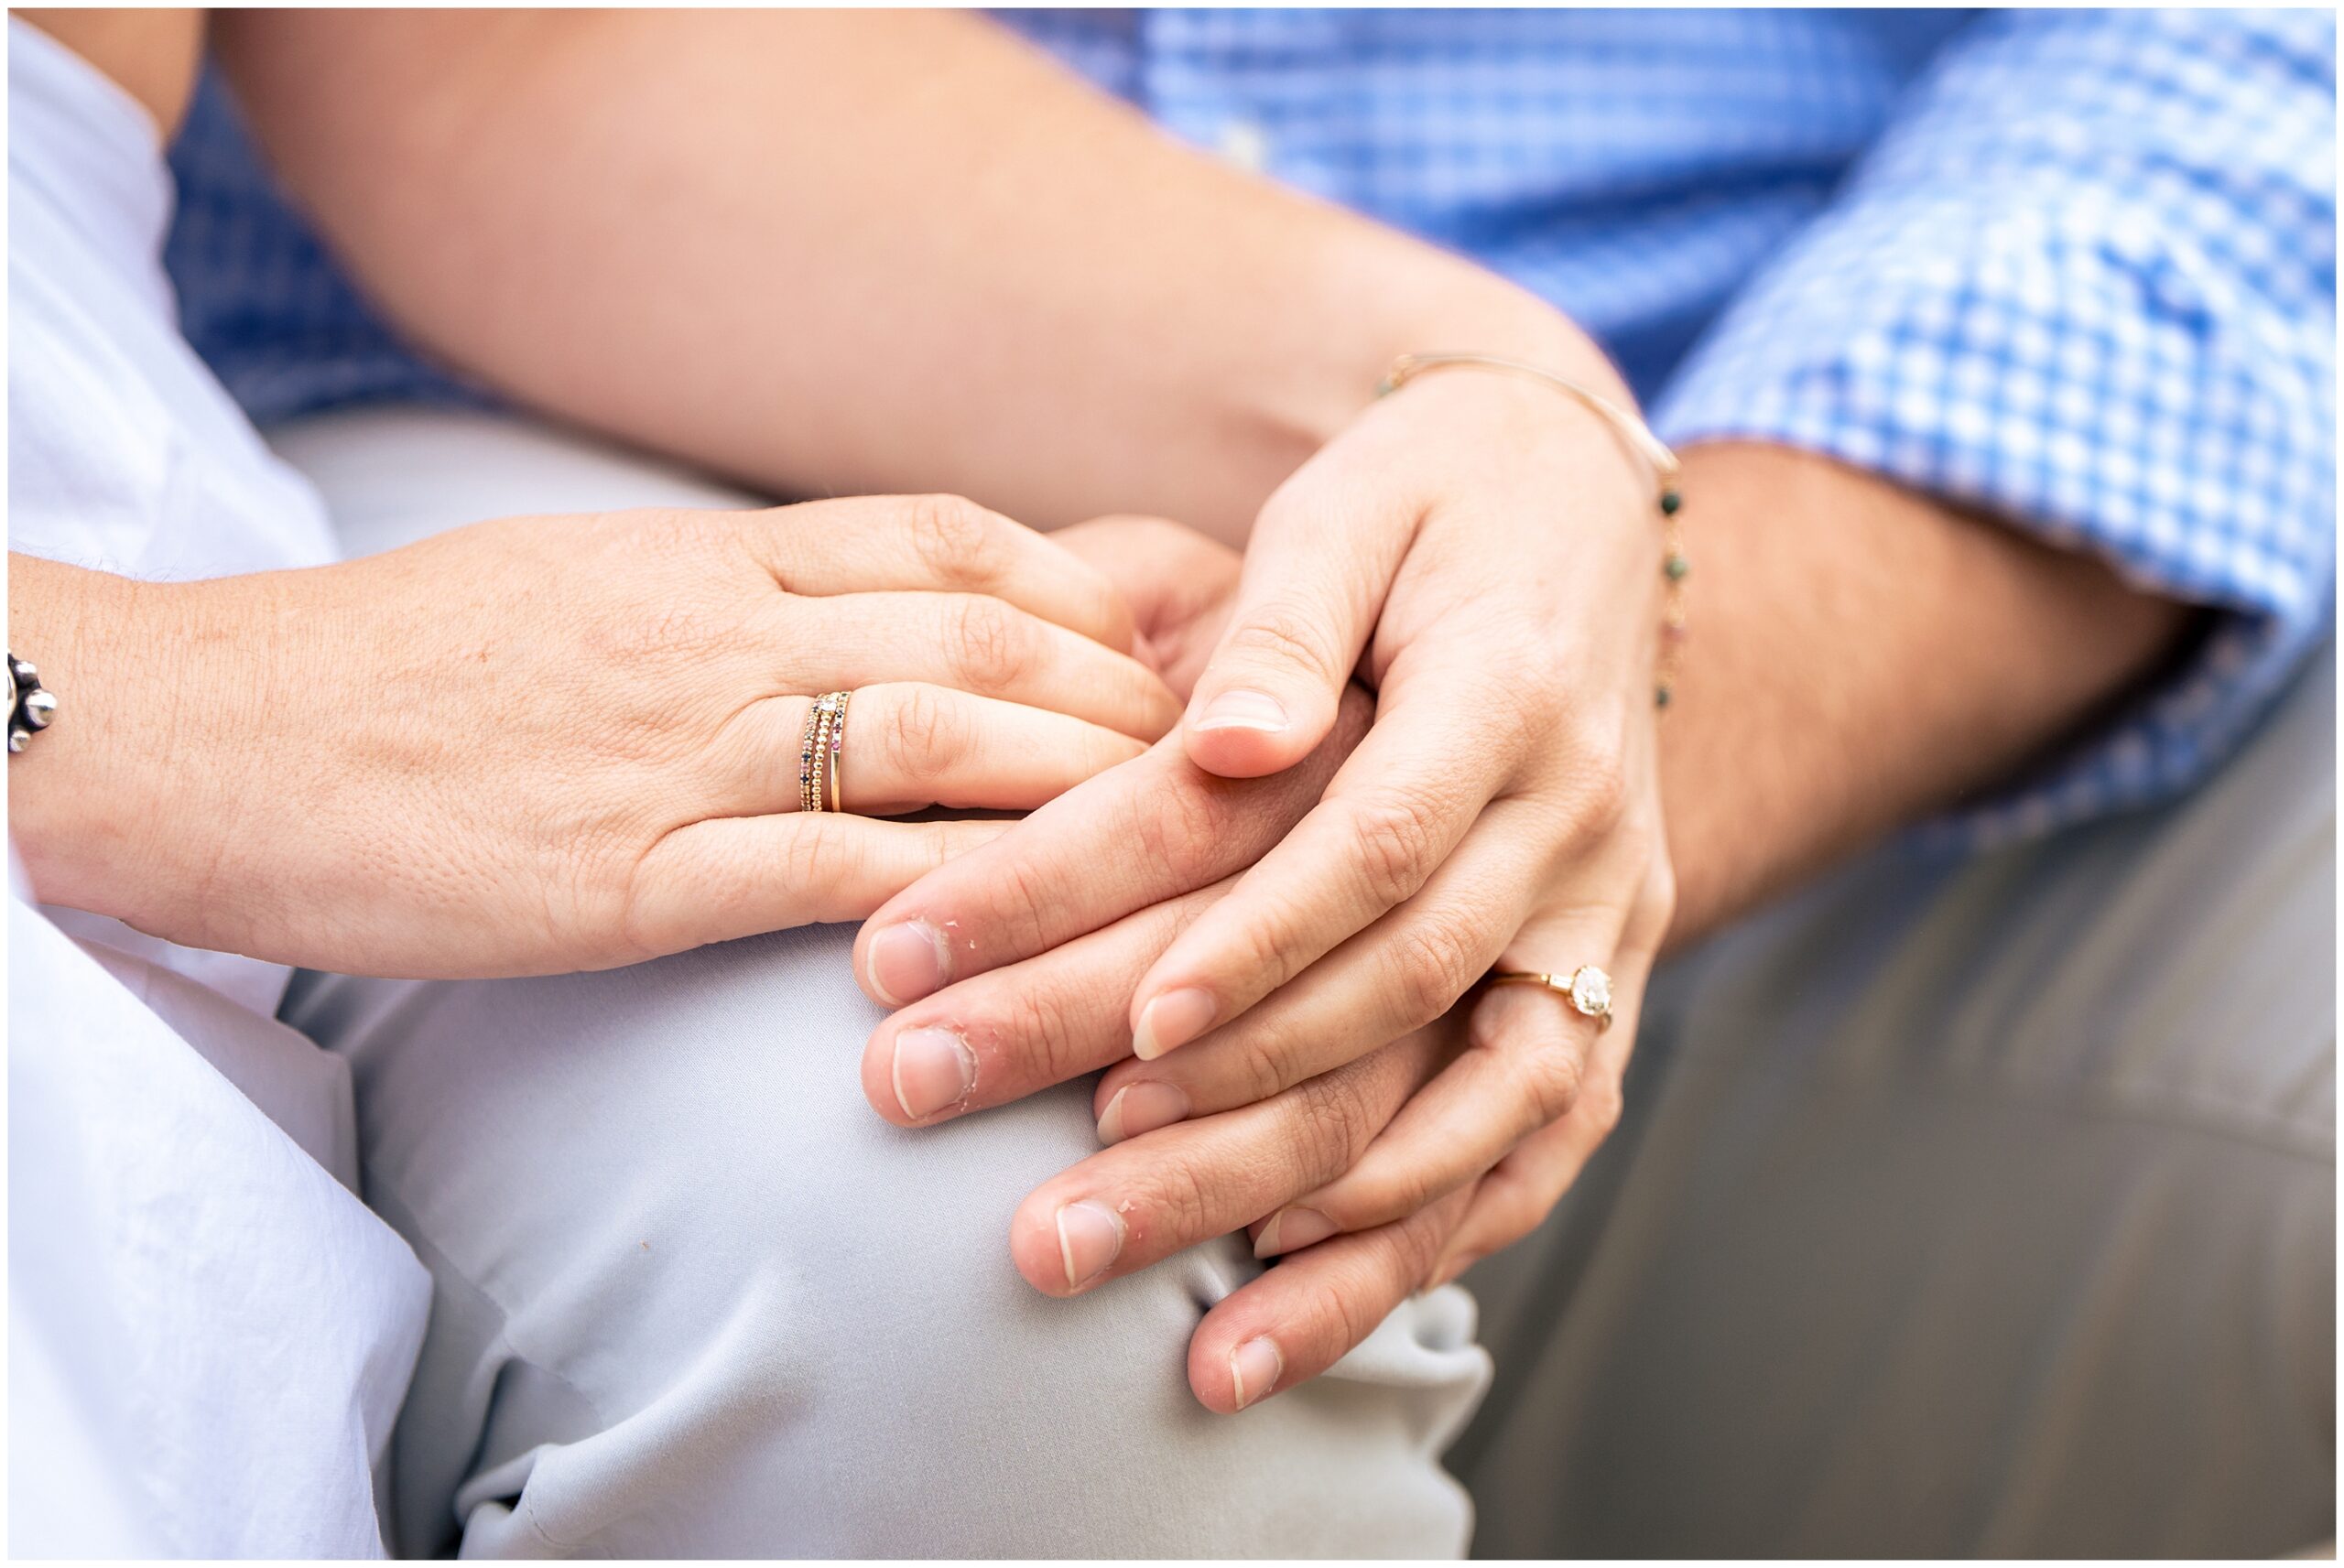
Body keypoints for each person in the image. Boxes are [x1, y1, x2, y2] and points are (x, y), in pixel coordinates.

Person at [14, 5, 2333, 1556]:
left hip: (1847, 520)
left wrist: (1507, 474)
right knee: (1010, 1219)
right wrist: (133, 706)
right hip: (431, 485)